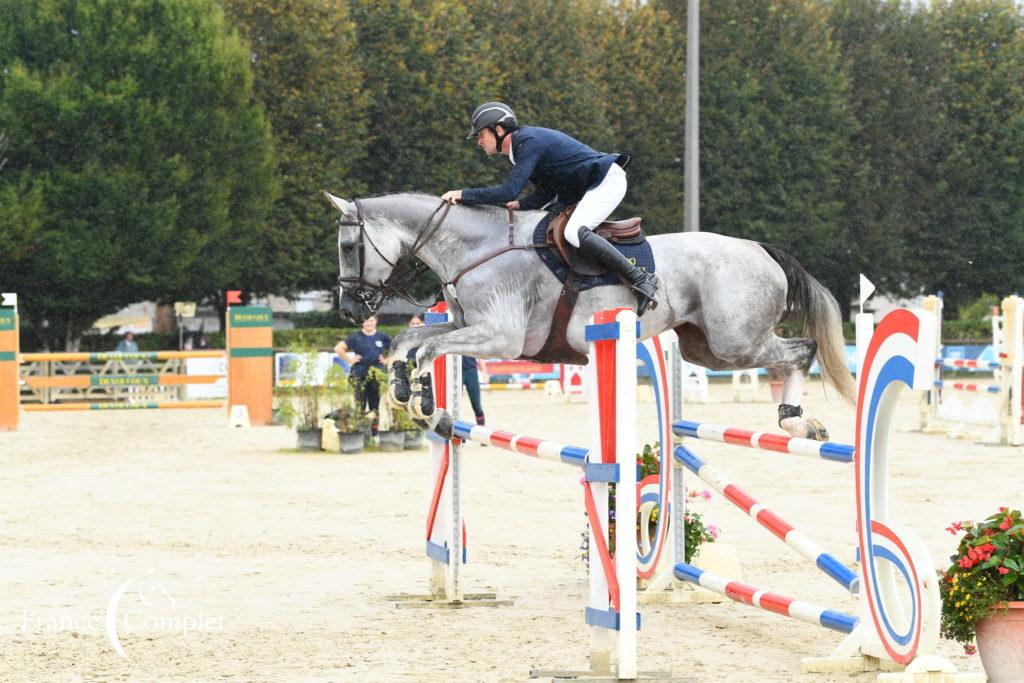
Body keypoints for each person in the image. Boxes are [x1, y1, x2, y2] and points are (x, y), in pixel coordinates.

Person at [440, 101, 659, 316]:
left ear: (498, 130)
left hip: (605, 181)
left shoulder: (527, 142)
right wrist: (522, 205)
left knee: (574, 232)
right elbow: (545, 192)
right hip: (587, 186)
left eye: (480, 134)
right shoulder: (521, 148)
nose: (478, 141)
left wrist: (463, 194)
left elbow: (508, 191)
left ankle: (641, 278)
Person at [406, 314, 485, 426]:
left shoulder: (471, 332)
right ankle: (453, 427)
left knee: (476, 404)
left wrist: (484, 370)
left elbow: (479, 353)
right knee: (455, 404)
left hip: (471, 370)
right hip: (455, 372)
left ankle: (481, 427)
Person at [334, 315, 391, 436]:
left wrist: (386, 360)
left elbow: (397, 348)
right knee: (360, 404)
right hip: (359, 374)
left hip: (376, 374)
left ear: (376, 321)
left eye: (371, 320)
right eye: (366, 320)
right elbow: (338, 348)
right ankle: (361, 432)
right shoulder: (356, 337)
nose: (369, 323)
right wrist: (350, 360)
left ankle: (374, 433)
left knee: (374, 405)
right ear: (362, 322)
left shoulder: (382, 337)